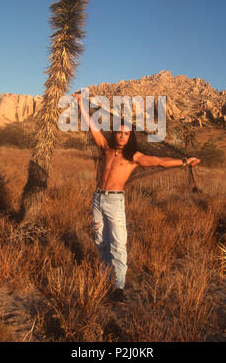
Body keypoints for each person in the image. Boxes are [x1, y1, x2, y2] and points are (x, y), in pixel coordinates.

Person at [73, 91, 201, 303]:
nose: (122, 136)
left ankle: (119, 286)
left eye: (126, 134)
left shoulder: (134, 158)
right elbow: (91, 126)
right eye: (119, 133)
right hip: (98, 199)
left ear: (130, 137)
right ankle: (105, 279)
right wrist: (80, 103)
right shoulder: (105, 149)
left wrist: (185, 161)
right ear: (114, 134)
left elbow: (161, 161)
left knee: (118, 243)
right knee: (100, 241)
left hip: (114, 201)